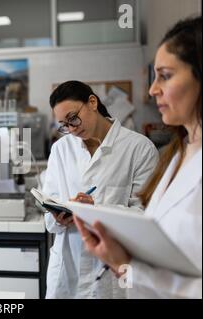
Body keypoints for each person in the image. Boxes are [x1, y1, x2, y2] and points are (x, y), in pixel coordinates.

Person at [75, 16, 202, 299]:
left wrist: (125, 265)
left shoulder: (145, 149)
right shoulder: (180, 153)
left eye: (165, 76)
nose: (152, 89)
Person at [43, 81, 159, 299]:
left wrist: (95, 210)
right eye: (64, 125)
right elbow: (49, 215)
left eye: (73, 118)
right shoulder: (61, 149)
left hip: (111, 272)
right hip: (69, 268)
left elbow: (146, 217)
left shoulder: (139, 148)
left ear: (92, 102)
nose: (71, 128)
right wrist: (58, 216)